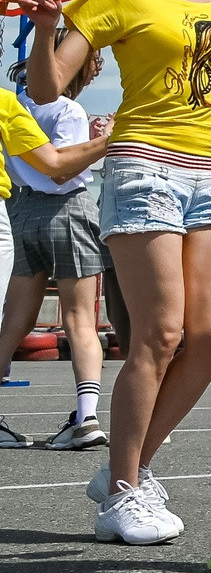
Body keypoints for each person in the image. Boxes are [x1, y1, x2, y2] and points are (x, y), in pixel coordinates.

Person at [28, 0, 211, 541]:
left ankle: (127, 467)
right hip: (145, 165)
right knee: (158, 334)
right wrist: (46, 28)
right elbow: (47, 87)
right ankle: (123, 493)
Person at [0, 44, 113, 450]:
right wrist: (106, 140)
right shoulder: (69, 110)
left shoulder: (16, 105)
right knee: (80, 320)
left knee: (14, 321)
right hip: (67, 210)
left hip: (21, 210)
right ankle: (86, 417)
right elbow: (61, 170)